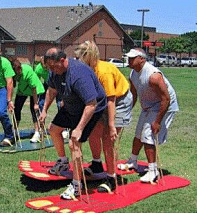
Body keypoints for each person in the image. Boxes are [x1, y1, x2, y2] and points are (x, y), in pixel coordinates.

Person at [39, 47, 107, 200]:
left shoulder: (78, 75)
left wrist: (79, 129)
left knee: (73, 142)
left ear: (62, 60)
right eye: (49, 67)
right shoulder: (54, 71)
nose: (51, 70)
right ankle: (63, 162)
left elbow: (91, 104)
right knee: (54, 130)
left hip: (90, 108)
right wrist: (44, 111)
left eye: (53, 66)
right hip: (71, 104)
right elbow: (51, 90)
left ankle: (77, 186)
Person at [74, 41, 133, 192]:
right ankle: (97, 164)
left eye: (79, 58)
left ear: (88, 57)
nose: (77, 61)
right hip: (102, 99)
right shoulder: (87, 70)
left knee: (108, 138)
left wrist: (112, 125)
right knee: (94, 131)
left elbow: (111, 100)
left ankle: (111, 178)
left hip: (119, 100)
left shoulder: (104, 72)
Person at [118, 48, 179, 183]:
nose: (129, 60)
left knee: (148, 136)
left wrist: (157, 121)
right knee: (138, 134)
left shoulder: (154, 76)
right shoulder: (133, 74)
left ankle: (153, 171)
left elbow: (166, 99)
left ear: (142, 59)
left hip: (163, 105)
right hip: (149, 106)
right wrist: (127, 111)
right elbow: (133, 95)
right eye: (128, 57)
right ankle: (133, 161)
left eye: (132, 58)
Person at [10, 59, 45, 143]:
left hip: (35, 90)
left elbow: (33, 88)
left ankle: (37, 133)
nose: (19, 71)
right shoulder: (12, 73)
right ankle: (15, 131)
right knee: (16, 109)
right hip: (23, 90)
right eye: (17, 70)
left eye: (19, 69)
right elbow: (11, 84)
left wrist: (36, 104)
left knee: (34, 110)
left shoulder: (27, 71)